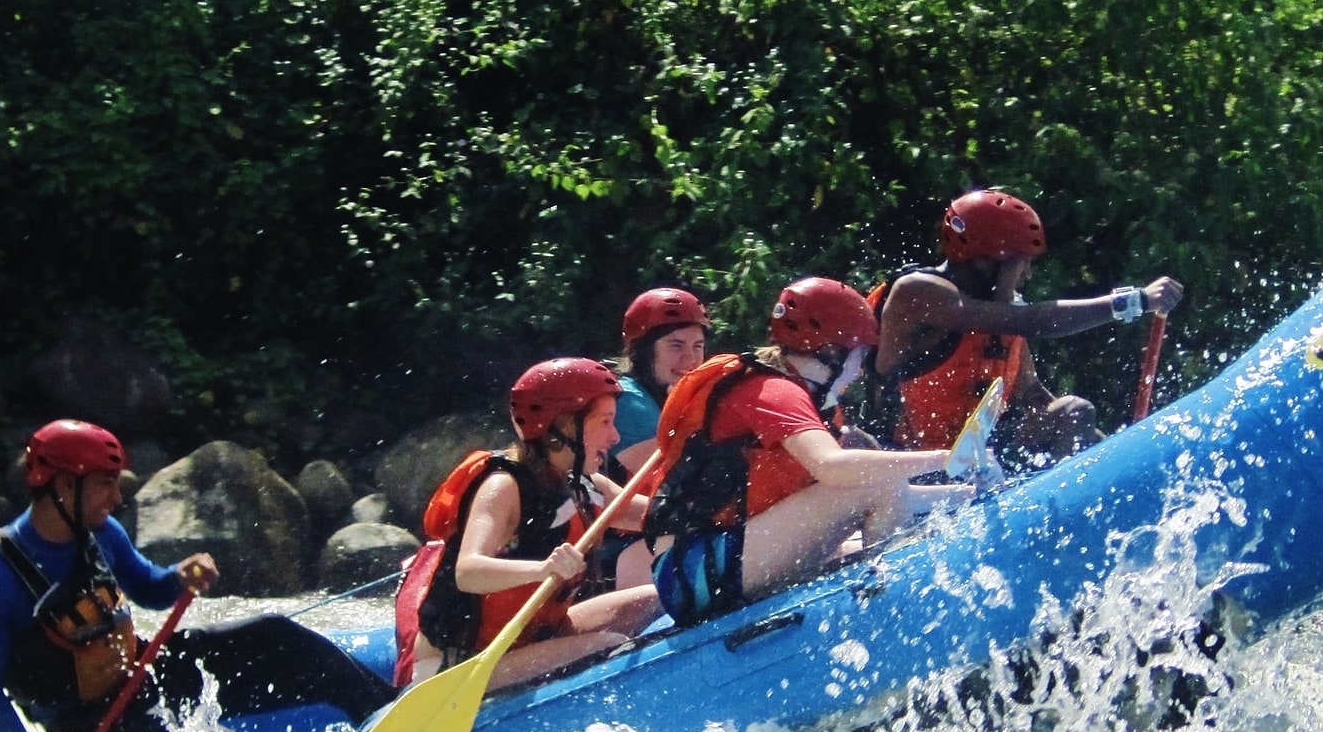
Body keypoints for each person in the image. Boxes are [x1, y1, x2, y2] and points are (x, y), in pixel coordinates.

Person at [0, 420, 397, 732]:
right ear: (64, 484)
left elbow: (149, 588)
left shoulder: (102, 534)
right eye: (106, 484)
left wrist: (180, 575)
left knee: (277, 636)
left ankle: (391, 712)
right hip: (95, 724)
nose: (117, 498)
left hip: (145, 671)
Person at [641, 277, 959, 627]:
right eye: (859, 355)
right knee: (876, 480)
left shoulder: (809, 399)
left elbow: (888, 494)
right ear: (831, 351)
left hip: (719, 560)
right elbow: (835, 469)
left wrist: (966, 492)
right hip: (695, 571)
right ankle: (895, 616)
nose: (859, 370)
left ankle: (888, 604)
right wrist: (948, 457)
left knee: (879, 484)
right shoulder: (774, 391)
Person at [396, 358, 660, 691]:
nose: (615, 436)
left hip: (531, 639)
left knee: (656, 596)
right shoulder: (504, 487)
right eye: (604, 422)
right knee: (606, 645)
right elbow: (469, 571)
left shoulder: (586, 485)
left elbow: (659, 515)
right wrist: (542, 569)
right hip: (458, 664)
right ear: (563, 428)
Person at [871, 189, 1185, 460]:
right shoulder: (919, 292)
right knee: (1076, 409)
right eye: (1023, 263)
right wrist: (1136, 301)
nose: (1028, 275)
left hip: (983, 458)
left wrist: (1113, 452)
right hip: (914, 465)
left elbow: (1033, 395)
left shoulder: (1002, 309)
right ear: (991, 259)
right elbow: (1033, 321)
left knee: (1074, 413)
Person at [610, 288, 711, 470]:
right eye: (676, 346)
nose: (690, 360)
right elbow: (673, 479)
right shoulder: (627, 400)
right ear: (643, 352)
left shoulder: (665, 394)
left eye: (697, 346)